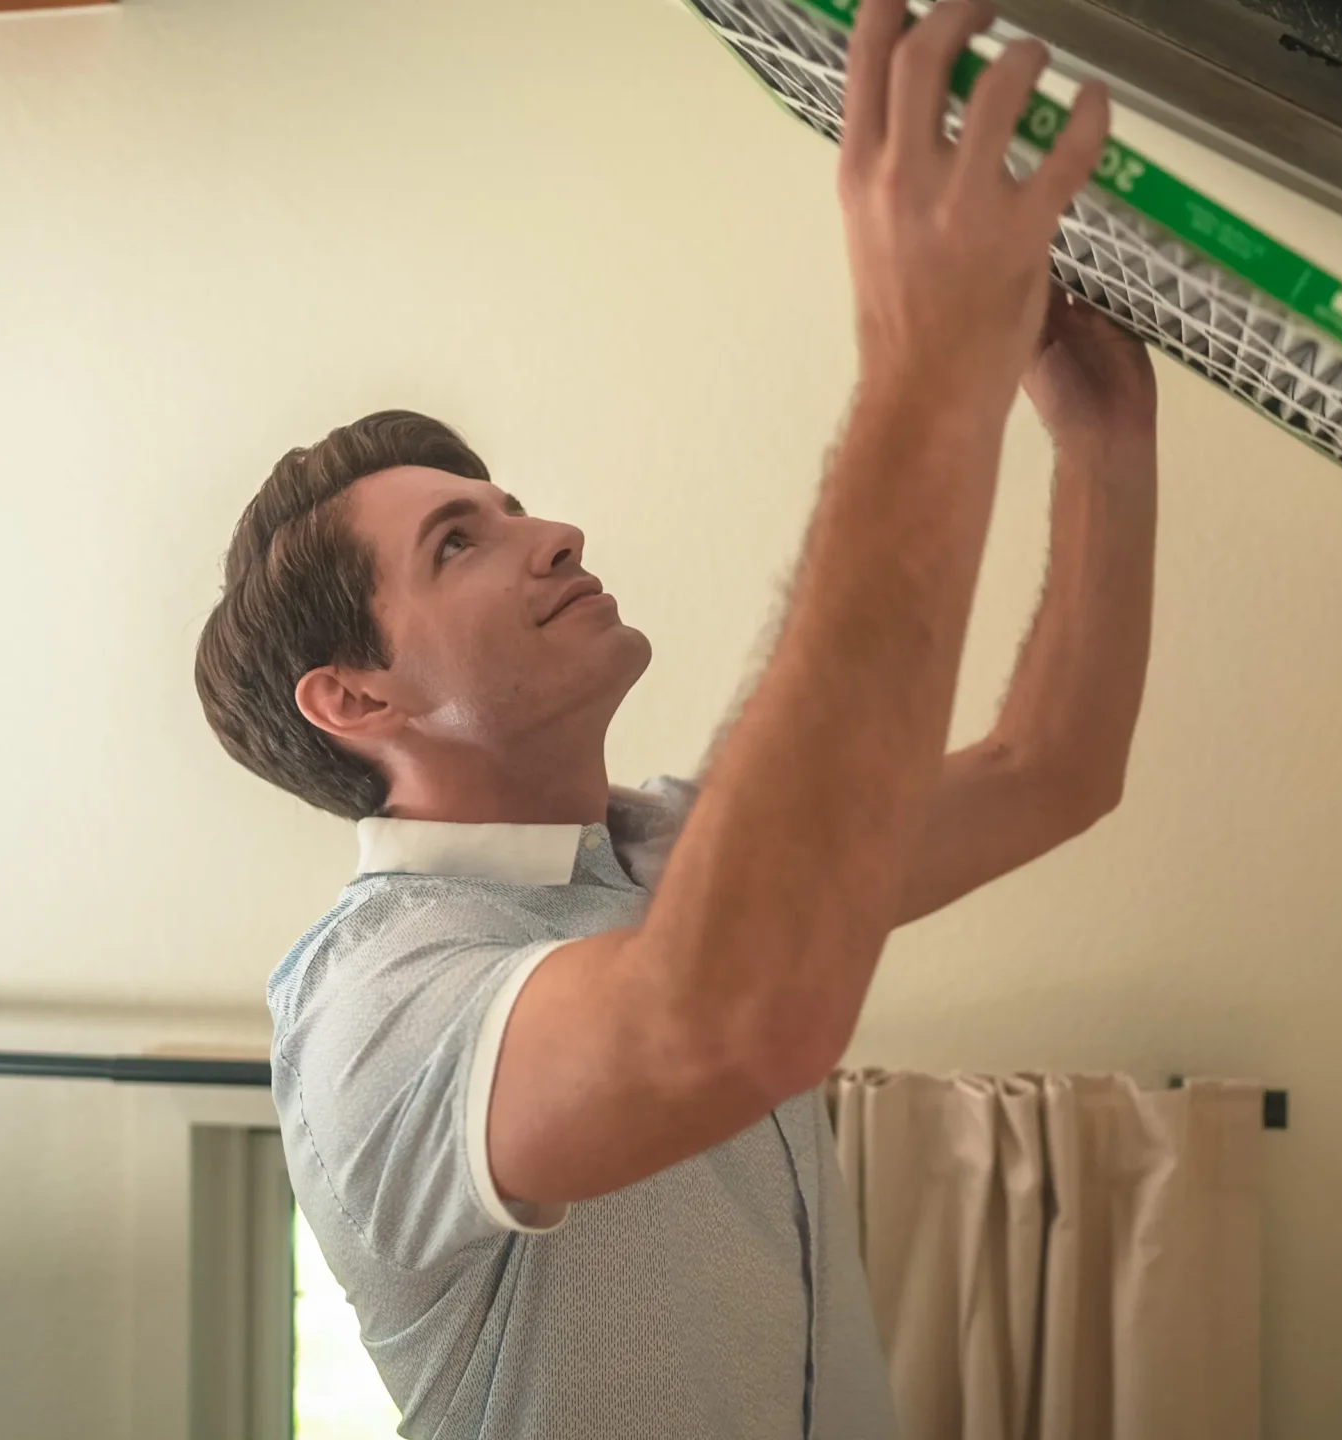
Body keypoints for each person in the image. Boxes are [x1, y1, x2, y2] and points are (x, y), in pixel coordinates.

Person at [189, 2, 1156, 1434]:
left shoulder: (671, 861)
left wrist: (1102, 443)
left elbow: (1049, 769)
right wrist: (922, 368)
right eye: (459, 542)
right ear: (355, 698)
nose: (554, 534)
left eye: (514, 508)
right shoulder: (372, 1015)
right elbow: (727, 1014)